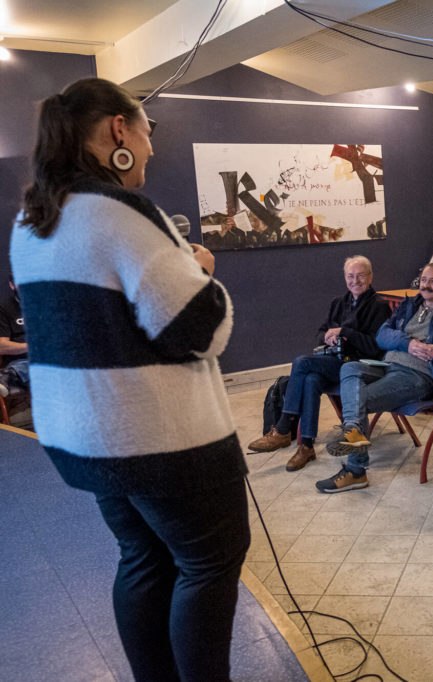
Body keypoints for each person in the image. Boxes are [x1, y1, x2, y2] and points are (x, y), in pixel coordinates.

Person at [9, 78, 249, 681]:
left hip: (85, 436)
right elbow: (197, 330)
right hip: (159, 441)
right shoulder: (123, 212)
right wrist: (202, 272)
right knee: (208, 563)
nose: (150, 147)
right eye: (147, 132)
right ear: (119, 128)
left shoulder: (31, 221)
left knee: (143, 557)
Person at [318, 262, 433, 492]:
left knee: (358, 400)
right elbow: (382, 335)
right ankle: (353, 429)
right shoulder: (409, 305)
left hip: (420, 374)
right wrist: (408, 343)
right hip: (387, 365)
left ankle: (356, 470)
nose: (426, 285)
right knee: (349, 368)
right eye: (423, 280)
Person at [246, 256, 390, 470]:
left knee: (301, 362)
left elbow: (375, 347)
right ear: (345, 278)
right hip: (333, 360)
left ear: (370, 277)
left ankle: (284, 427)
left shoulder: (379, 306)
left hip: (357, 366)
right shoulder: (338, 303)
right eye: (350, 276)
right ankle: (306, 446)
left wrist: (345, 332)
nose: (355, 281)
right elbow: (320, 334)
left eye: (360, 276)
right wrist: (327, 337)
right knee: (311, 379)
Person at [0, 275, 28, 398]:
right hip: (21, 359)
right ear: (12, 285)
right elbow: (1, 346)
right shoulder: (4, 308)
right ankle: (9, 375)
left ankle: (9, 377)